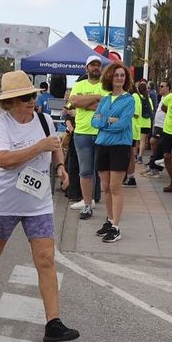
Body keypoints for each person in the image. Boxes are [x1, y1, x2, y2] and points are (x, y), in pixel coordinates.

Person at [0, 71, 79, 342]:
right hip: (5, 202)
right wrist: (37, 146)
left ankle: (53, 323)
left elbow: (55, 147)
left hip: (38, 202)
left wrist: (61, 166)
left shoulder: (43, 120)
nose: (31, 101)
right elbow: (4, 159)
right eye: (24, 98)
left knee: (45, 259)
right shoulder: (0, 124)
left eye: (32, 95)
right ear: (10, 102)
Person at [91, 62, 137, 243]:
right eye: (116, 75)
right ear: (110, 77)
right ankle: (109, 220)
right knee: (105, 187)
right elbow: (94, 121)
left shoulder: (129, 100)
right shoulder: (104, 99)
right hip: (102, 145)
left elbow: (123, 124)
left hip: (119, 147)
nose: (119, 78)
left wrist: (105, 123)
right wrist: (106, 122)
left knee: (116, 187)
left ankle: (117, 227)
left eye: (122, 76)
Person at [65, 55, 106, 220]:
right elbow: (73, 102)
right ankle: (88, 204)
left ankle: (95, 200)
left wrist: (85, 102)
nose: (95, 67)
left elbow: (105, 105)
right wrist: (96, 98)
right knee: (85, 170)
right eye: (92, 65)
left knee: (100, 171)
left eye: (98, 65)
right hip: (81, 133)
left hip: (101, 133)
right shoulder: (79, 84)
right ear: (86, 68)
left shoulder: (106, 85)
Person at [126, 80, 152, 187]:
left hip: (133, 128)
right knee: (132, 152)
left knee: (130, 154)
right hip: (140, 125)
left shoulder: (135, 98)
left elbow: (135, 114)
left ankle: (130, 177)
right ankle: (130, 176)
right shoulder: (146, 98)